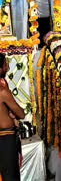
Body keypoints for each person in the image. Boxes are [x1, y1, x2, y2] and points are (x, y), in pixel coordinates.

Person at [0, 53, 25, 181]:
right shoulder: (2, 91)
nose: (8, 68)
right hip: (6, 140)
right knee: (10, 176)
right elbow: (21, 113)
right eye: (5, 65)